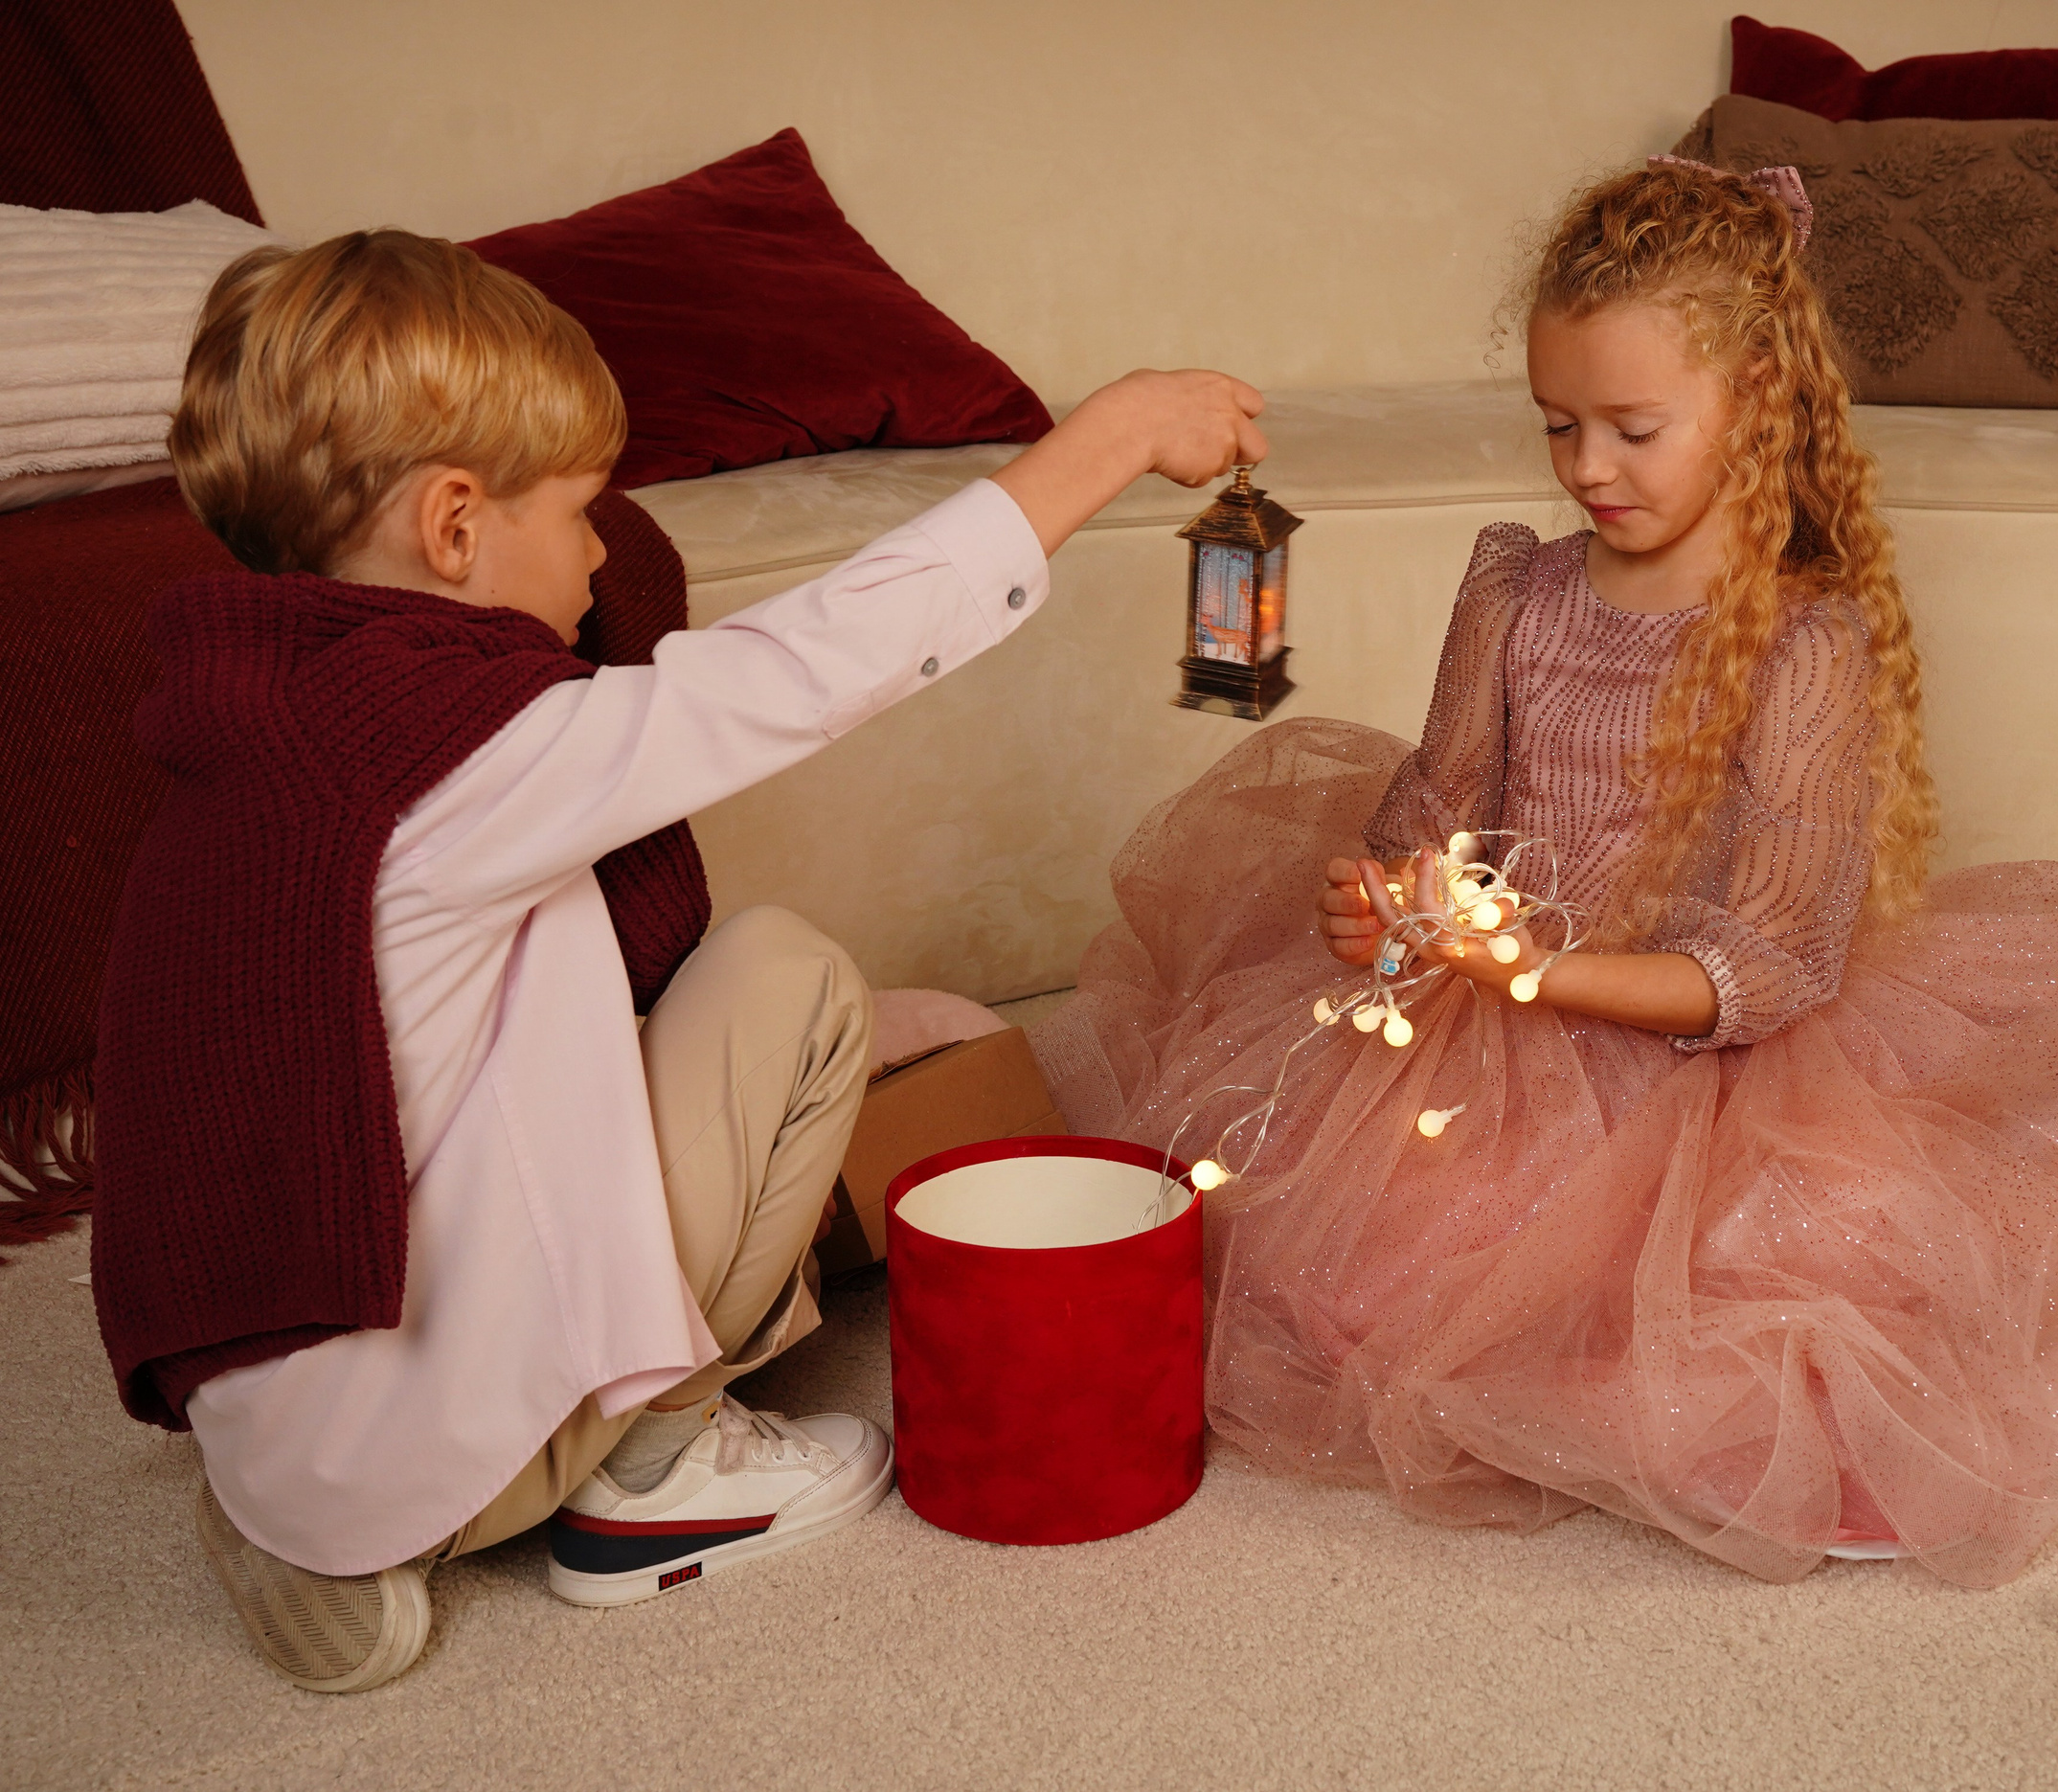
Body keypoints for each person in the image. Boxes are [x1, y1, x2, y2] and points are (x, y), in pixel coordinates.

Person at [1029, 160, 2058, 1588]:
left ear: (1757, 398)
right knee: (1321, 1257)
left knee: (1809, 1265)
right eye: (1560, 425)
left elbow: (1770, 964)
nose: (1587, 468)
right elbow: (1439, 805)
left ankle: (1714, 1416)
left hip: (1699, 1047)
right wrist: (1386, 906)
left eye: (1634, 429)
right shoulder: (1520, 588)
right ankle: (1568, 1363)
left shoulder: (1798, 641)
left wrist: (1535, 969)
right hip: (1490, 1023)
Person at [90, 229, 1265, 1691]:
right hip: (418, 1452)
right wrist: (1103, 442)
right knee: (789, 978)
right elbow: (797, 674)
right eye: (581, 510)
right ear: (453, 528)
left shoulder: (264, 732)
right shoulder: (460, 757)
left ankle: (304, 1518)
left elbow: (477, 1037)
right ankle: (651, 1476)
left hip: (277, 1424)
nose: (602, 549)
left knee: (810, 1012)